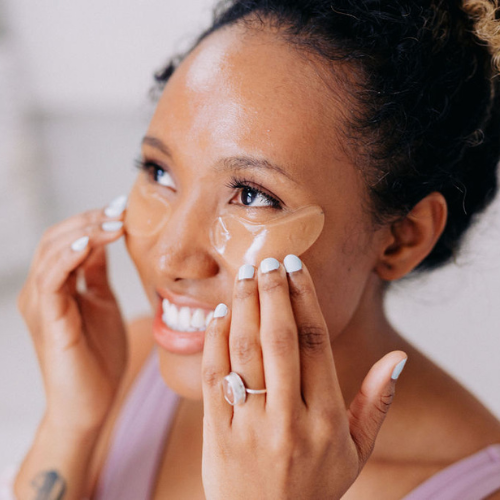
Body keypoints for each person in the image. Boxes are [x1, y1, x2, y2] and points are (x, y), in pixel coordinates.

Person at [3, 0, 500, 498]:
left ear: (402, 238)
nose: (169, 259)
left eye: (252, 196)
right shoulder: (128, 367)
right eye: (159, 171)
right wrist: (73, 424)